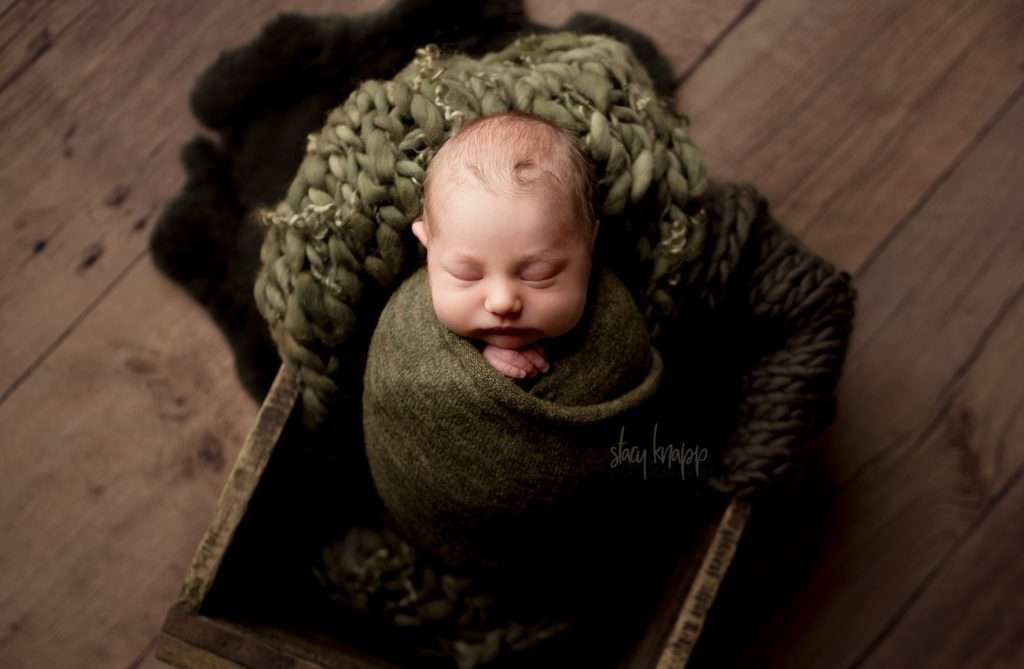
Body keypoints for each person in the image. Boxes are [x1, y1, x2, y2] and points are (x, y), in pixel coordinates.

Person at [411, 111, 598, 380]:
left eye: (538, 275)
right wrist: (477, 370)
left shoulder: (611, 323)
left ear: (590, 243)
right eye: (467, 274)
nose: (502, 302)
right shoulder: (410, 324)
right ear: (428, 248)